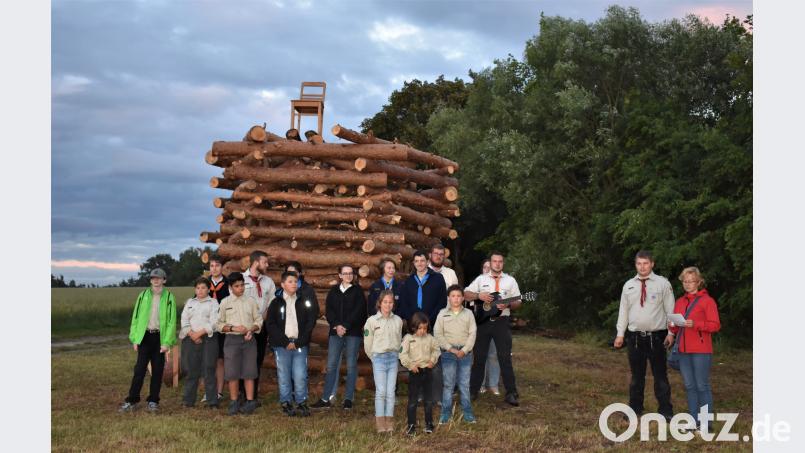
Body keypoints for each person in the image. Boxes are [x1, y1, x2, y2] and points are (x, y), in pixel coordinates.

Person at [613, 250, 676, 420]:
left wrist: (671, 333)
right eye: (639, 263)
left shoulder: (663, 284)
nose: (642, 267)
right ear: (635, 265)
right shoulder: (628, 285)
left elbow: (671, 310)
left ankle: (665, 411)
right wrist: (620, 334)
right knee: (636, 377)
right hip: (634, 338)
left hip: (657, 337)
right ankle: (635, 408)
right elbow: (623, 311)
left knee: (660, 376)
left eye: (645, 263)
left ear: (652, 264)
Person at [464, 251, 522, 406]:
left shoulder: (510, 281)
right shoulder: (481, 279)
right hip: (483, 323)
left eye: (500, 261)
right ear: (490, 263)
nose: (497, 264)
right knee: (479, 357)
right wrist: (479, 296)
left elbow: (518, 301)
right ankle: (473, 391)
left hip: (502, 322)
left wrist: (508, 304)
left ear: (503, 263)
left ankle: (511, 393)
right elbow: (466, 294)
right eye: (495, 261)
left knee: (504, 357)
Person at [668, 267, 721, 432]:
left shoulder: (708, 301)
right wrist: (672, 325)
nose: (688, 284)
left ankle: (705, 424)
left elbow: (715, 325)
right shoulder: (680, 302)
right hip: (683, 351)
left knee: (701, 386)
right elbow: (676, 328)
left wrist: (695, 324)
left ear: (698, 282)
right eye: (685, 281)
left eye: (691, 281)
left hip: (701, 350)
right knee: (689, 386)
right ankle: (692, 421)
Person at [119, 268, 177, 413]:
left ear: (164, 280)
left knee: (157, 371)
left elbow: (171, 321)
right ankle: (132, 401)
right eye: (153, 278)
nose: (155, 280)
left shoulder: (169, 297)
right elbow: (136, 317)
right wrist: (135, 338)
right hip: (144, 337)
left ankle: (153, 401)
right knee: (139, 370)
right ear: (151, 280)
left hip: (159, 338)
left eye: (159, 278)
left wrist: (167, 342)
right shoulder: (143, 295)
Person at [312, 264, 367, 410]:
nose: (348, 275)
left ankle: (348, 399)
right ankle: (326, 398)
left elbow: (359, 312)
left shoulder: (358, 291)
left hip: (352, 333)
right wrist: (337, 325)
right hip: (335, 332)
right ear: (340, 275)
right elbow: (329, 311)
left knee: (351, 365)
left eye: (351, 273)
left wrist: (346, 326)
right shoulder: (334, 291)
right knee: (331, 366)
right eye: (345, 273)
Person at [267, 271, 318, 417]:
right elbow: (271, 324)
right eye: (290, 281)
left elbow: (310, 321)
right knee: (284, 375)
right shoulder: (275, 303)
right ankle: (286, 402)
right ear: (282, 284)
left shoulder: (303, 301)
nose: (294, 284)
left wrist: (300, 341)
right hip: (282, 346)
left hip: (300, 345)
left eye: (296, 281)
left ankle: (301, 402)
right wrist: (285, 342)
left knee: (300, 374)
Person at [216, 272, 263, 415]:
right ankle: (234, 401)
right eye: (237, 286)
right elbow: (218, 324)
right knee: (232, 372)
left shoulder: (251, 301)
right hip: (231, 341)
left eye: (242, 285)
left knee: (249, 371)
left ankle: (250, 402)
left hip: (249, 340)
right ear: (230, 287)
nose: (240, 288)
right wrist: (233, 328)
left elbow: (258, 320)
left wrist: (252, 330)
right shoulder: (225, 303)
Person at [434, 285, 477, 424]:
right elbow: (438, 334)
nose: (456, 299)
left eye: (459, 296)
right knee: (448, 384)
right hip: (448, 354)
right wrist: (450, 349)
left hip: (465, 354)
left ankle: (468, 413)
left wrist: (464, 350)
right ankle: (446, 414)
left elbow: (472, 333)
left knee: (464, 384)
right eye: (453, 296)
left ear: (463, 298)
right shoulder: (442, 314)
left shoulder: (469, 314)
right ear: (448, 298)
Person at [364, 290, 404, 433]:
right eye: (385, 302)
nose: (388, 304)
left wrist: (398, 355)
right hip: (379, 359)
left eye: (390, 302)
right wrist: (373, 358)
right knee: (381, 391)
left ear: (394, 304)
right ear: (380, 303)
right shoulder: (372, 321)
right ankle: (380, 421)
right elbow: (368, 343)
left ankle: (389, 420)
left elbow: (399, 340)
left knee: (391, 391)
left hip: (393, 359)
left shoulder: (398, 321)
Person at [241, 251, 276, 404]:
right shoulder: (241, 279)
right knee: (243, 361)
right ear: (256, 262)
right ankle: (242, 395)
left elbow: (271, 304)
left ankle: (253, 396)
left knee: (257, 360)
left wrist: (262, 323)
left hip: (261, 328)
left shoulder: (268, 282)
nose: (267, 265)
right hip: (244, 327)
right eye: (264, 262)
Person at [179, 277, 219, 408]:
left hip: (208, 340)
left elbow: (214, 322)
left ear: (208, 289)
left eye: (203, 288)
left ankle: (212, 401)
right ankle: (188, 401)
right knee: (191, 370)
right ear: (195, 289)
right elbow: (184, 321)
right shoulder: (190, 302)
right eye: (198, 288)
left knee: (209, 369)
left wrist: (199, 333)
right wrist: (192, 334)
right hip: (190, 339)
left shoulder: (214, 303)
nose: (200, 290)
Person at [399, 312, 440, 436]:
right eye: (420, 328)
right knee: (413, 401)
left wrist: (432, 361)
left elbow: (436, 350)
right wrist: (411, 365)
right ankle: (411, 425)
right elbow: (402, 354)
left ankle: (429, 423)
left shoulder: (430, 338)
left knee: (428, 400)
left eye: (425, 328)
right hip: (415, 372)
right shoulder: (408, 339)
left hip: (427, 371)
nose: (422, 331)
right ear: (413, 327)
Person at [476, 259, 500, 395]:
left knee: (494, 355)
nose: (487, 270)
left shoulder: (498, 286)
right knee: (481, 355)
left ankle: (493, 384)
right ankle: (481, 384)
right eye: (484, 267)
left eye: (489, 268)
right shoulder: (477, 284)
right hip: (480, 325)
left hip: (495, 325)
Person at [208, 256, 229, 401]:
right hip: (207, 327)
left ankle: (219, 392)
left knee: (220, 360)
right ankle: (209, 391)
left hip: (222, 326)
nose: (214, 268)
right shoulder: (204, 283)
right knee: (209, 359)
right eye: (211, 266)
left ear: (222, 267)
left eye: (217, 265)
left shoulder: (228, 284)